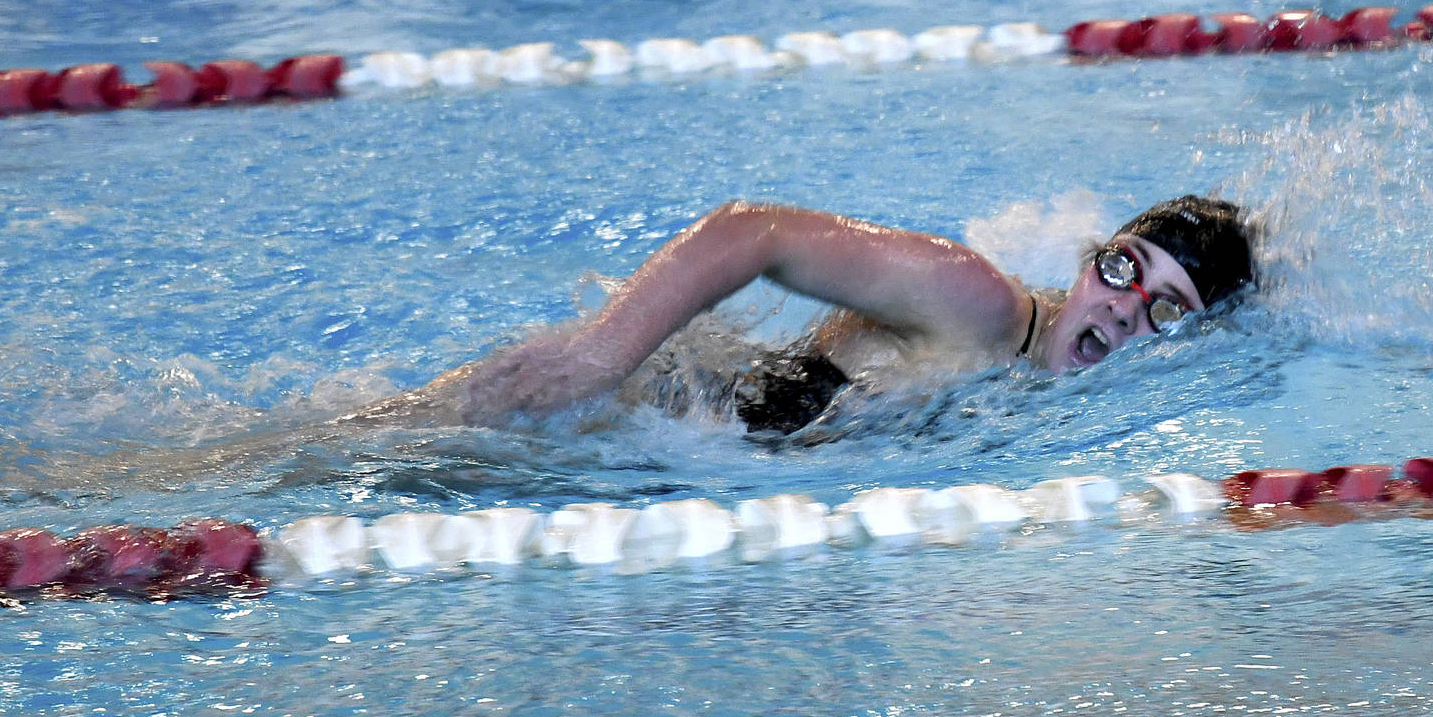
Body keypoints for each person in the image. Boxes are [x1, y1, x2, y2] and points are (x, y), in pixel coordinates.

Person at [363, 195, 1255, 434]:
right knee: (337, 463)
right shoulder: (978, 304)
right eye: (1123, 269)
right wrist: (600, 357)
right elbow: (755, 231)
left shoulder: (1045, 384)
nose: (1123, 312)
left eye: (1167, 313)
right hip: (619, 419)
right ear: (1088, 258)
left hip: (679, 452)